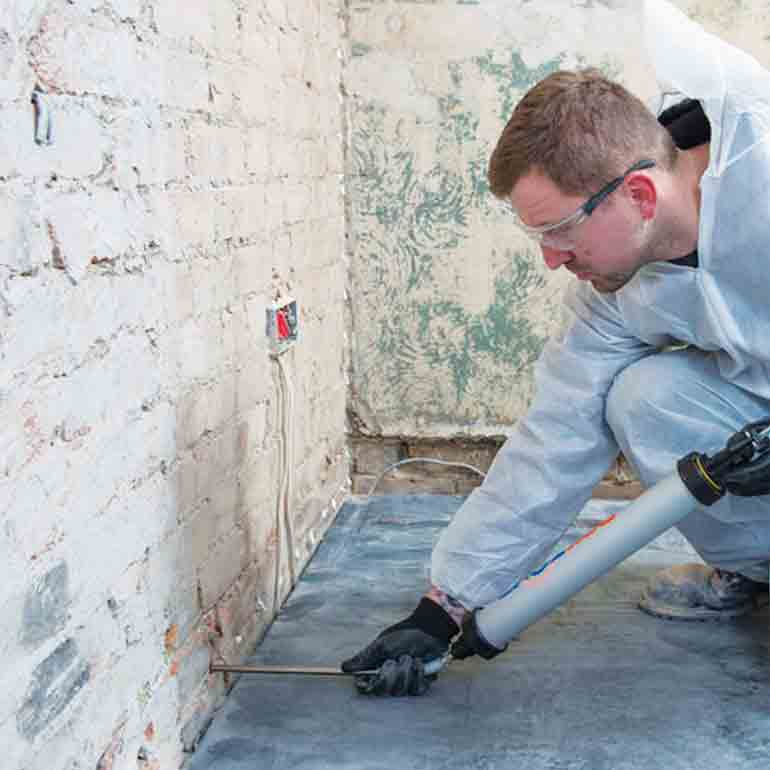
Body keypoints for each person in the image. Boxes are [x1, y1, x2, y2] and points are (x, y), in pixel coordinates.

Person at [342, 0, 770, 696]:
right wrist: (443, 608)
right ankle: (755, 568)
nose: (550, 259)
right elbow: (556, 435)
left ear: (636, 193)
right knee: (642, 397)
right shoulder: (615, 292)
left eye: (561, 230)